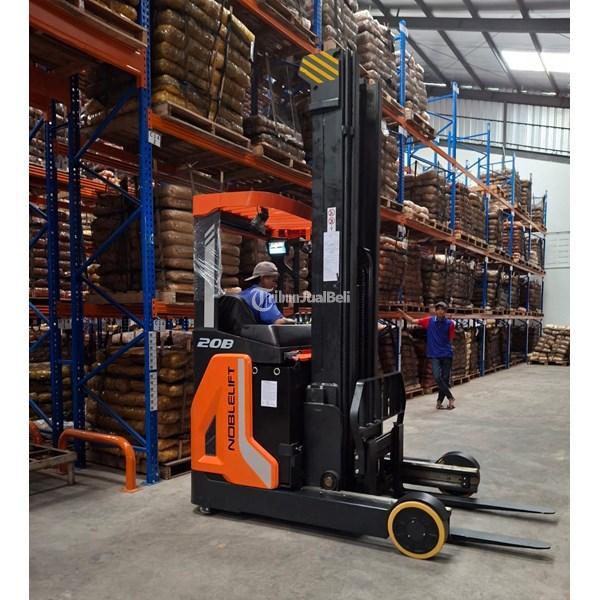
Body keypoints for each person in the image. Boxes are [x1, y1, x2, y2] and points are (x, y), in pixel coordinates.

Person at [406, 301, 456, 410]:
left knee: (445, 379)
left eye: (443, 309)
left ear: (445, 311)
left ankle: (439, 402)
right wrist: (402, 314)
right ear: (435, 311)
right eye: (438, 309)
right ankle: (450, 397)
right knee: (437, 377)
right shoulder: (429, 321)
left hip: (447, 354)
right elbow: (413, 321)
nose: (440, 311)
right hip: (434, 354)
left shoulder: (450, 324)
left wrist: (450, 348)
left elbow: (451, 339)